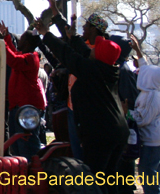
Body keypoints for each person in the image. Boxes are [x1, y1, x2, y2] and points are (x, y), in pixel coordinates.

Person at [35, 16, 128, 194]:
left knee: (93, 179)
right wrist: (67, 29)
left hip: (100, 132)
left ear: (98, 55)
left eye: (96, 48)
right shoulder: (110, 69)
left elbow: (66, 54)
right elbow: (84, 51)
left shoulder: (90, 70)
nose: (91, 48)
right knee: (110, 179)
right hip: (119, 131)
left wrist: (46, 34)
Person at [0, 20, 46, 159]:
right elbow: (14, 54)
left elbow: (13, 59)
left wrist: (2, 42)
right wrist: (5, 37)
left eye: (21, 38)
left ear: (28, 43)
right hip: (18, 106)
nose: (19, 40)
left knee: (27, 146)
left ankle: (32, 173)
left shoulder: (32, 58)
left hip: (26, 107)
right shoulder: (25, 56)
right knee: (16, 145)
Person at [128, 35, 160, 194]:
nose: (140, 72)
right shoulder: (152, 89)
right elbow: (145, 66)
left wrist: (126, 112)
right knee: (155, 174)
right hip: (154, 138)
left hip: (152, 141)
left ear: (149, 78)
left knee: (147, 175)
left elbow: (142, 119)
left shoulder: (151, 96)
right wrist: (138, 50)